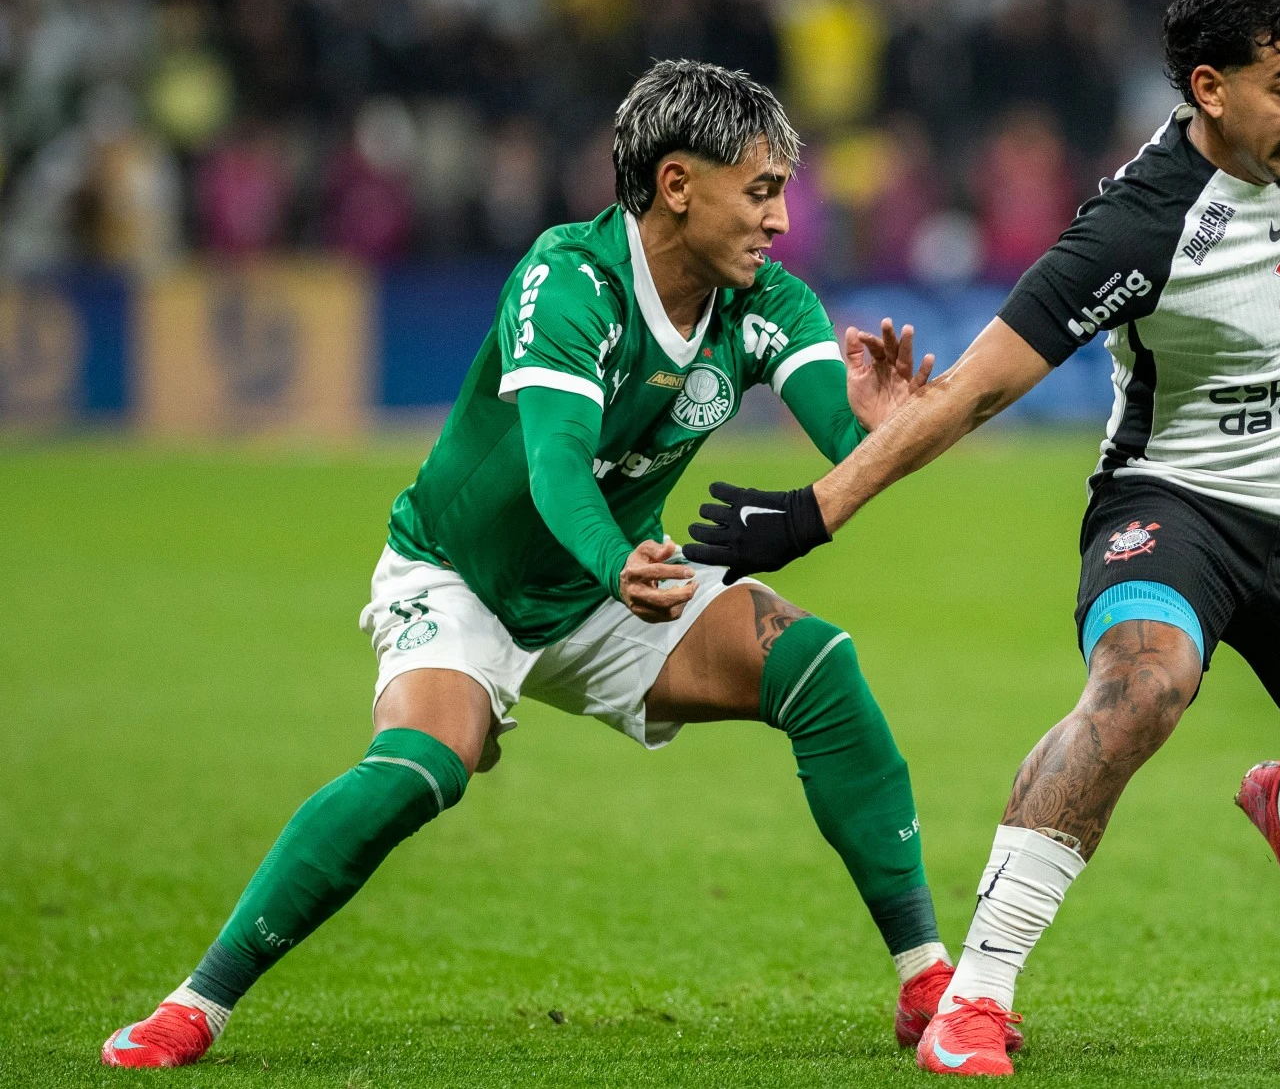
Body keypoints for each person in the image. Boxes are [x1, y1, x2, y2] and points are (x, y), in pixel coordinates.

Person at [686, 0, 1280, 1077]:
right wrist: (810, 511)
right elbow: (975, 387)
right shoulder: (1138, 226)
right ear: (1208, 89)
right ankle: (976, 996)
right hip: (1171, 505)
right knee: (1142, 683)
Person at [102, 60, 962, 1068]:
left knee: (819, 670)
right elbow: (555, 462)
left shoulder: (764, 300)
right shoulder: (568, 278)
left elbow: (834, 419)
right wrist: (615, 566)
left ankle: (925, 980)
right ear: (677, 184)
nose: (781, 218)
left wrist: (878, 430)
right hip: (465, 576)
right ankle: (196, 1004)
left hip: (607, 584)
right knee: (424, 765)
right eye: (762, 189)